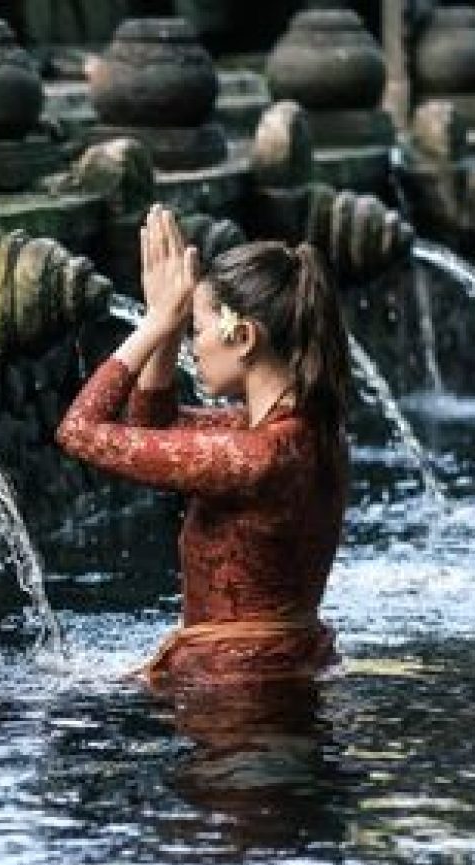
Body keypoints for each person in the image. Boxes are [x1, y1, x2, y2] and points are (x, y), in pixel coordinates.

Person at [55, 205, 352, 687]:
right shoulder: (305, 431)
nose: (194, 347)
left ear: (245, 337)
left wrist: (152, 325)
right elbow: (156, 425)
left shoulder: (257, 457)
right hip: (273, 676)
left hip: (238, 698)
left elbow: (79, 431)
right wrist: (169, 332)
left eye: (195, 330)